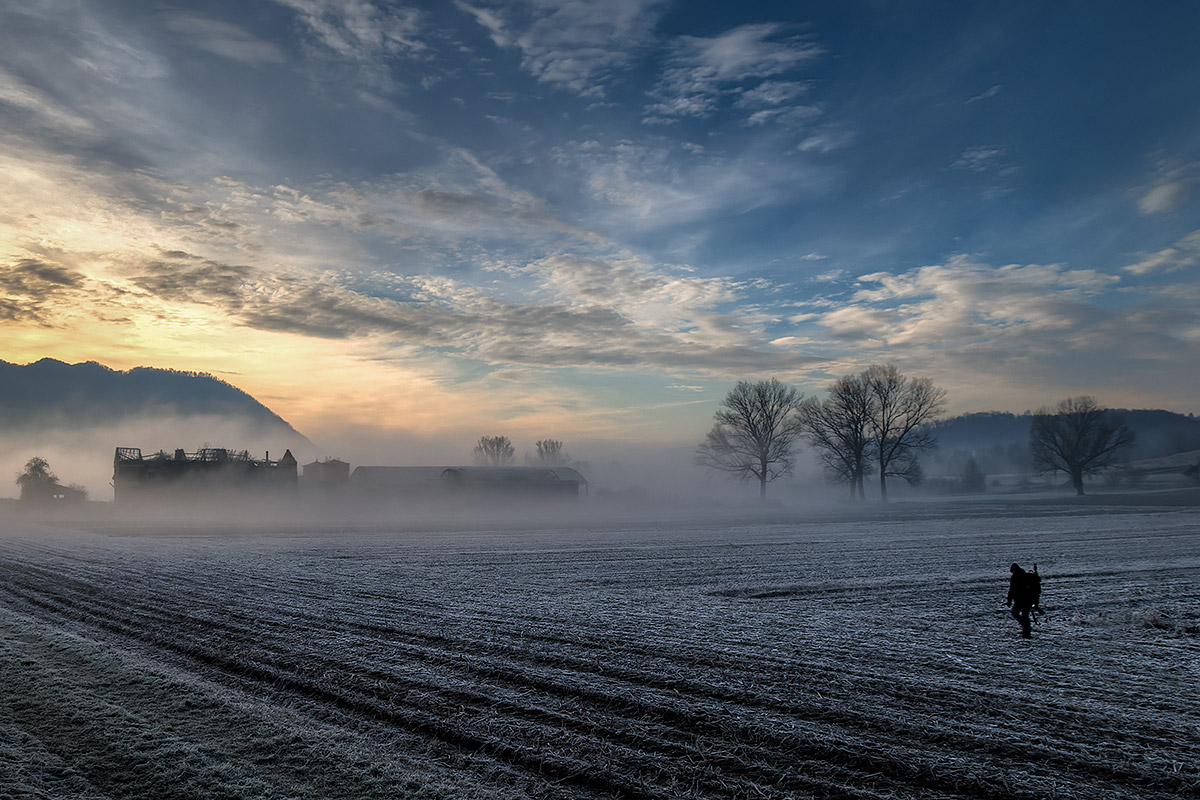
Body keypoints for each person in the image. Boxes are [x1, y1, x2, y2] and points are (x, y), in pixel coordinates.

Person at [1006, 562, 1039, 638]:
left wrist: (1009, 601)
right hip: (1030, 598)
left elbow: (1011, 590)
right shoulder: (1026, 576)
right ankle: (1027, 629)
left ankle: (1026, 626)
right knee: (1025, 614)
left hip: (1020, 599)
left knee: (1015, 612)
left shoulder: (1015, 577)